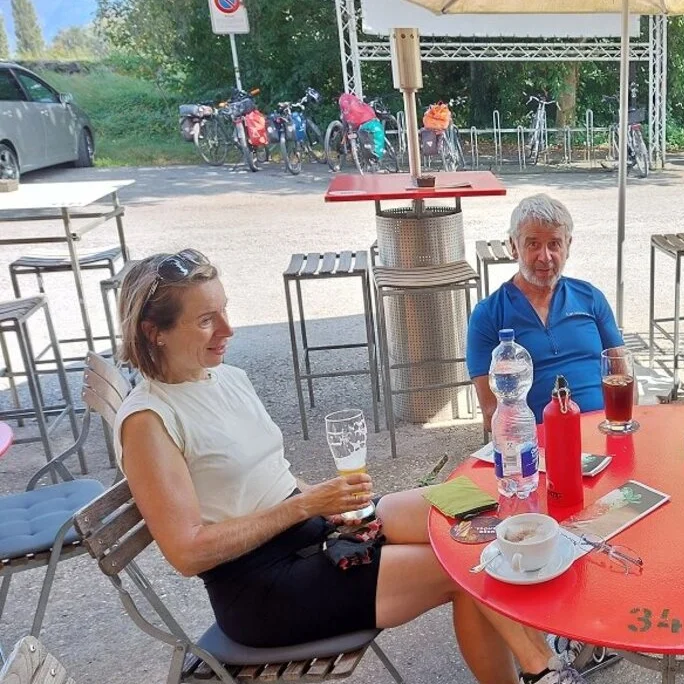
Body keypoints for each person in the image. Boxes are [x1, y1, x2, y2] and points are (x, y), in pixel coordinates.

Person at [114, 249, 585, 684]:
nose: (228, 330)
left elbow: (266, 474)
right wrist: (306, 506)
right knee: (464, 567)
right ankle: (544, 670)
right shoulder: (149, 421)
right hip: (261, 586)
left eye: (225, 310)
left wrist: (320, 500)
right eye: (204, 321)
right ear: (155, 333)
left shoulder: (225, 377)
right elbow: (187, 552)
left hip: (308, 528)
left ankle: (542, 658)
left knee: (473, 509)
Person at [467, 194, 624, 425]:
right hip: (536, 445)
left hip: (603, 430)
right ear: (514, 246)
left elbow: (622, 375)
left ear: (567, 246)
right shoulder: (488, 315)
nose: (545, 257)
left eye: (554, 244)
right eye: (533, 244)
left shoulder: (590, 298)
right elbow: (492, 414)